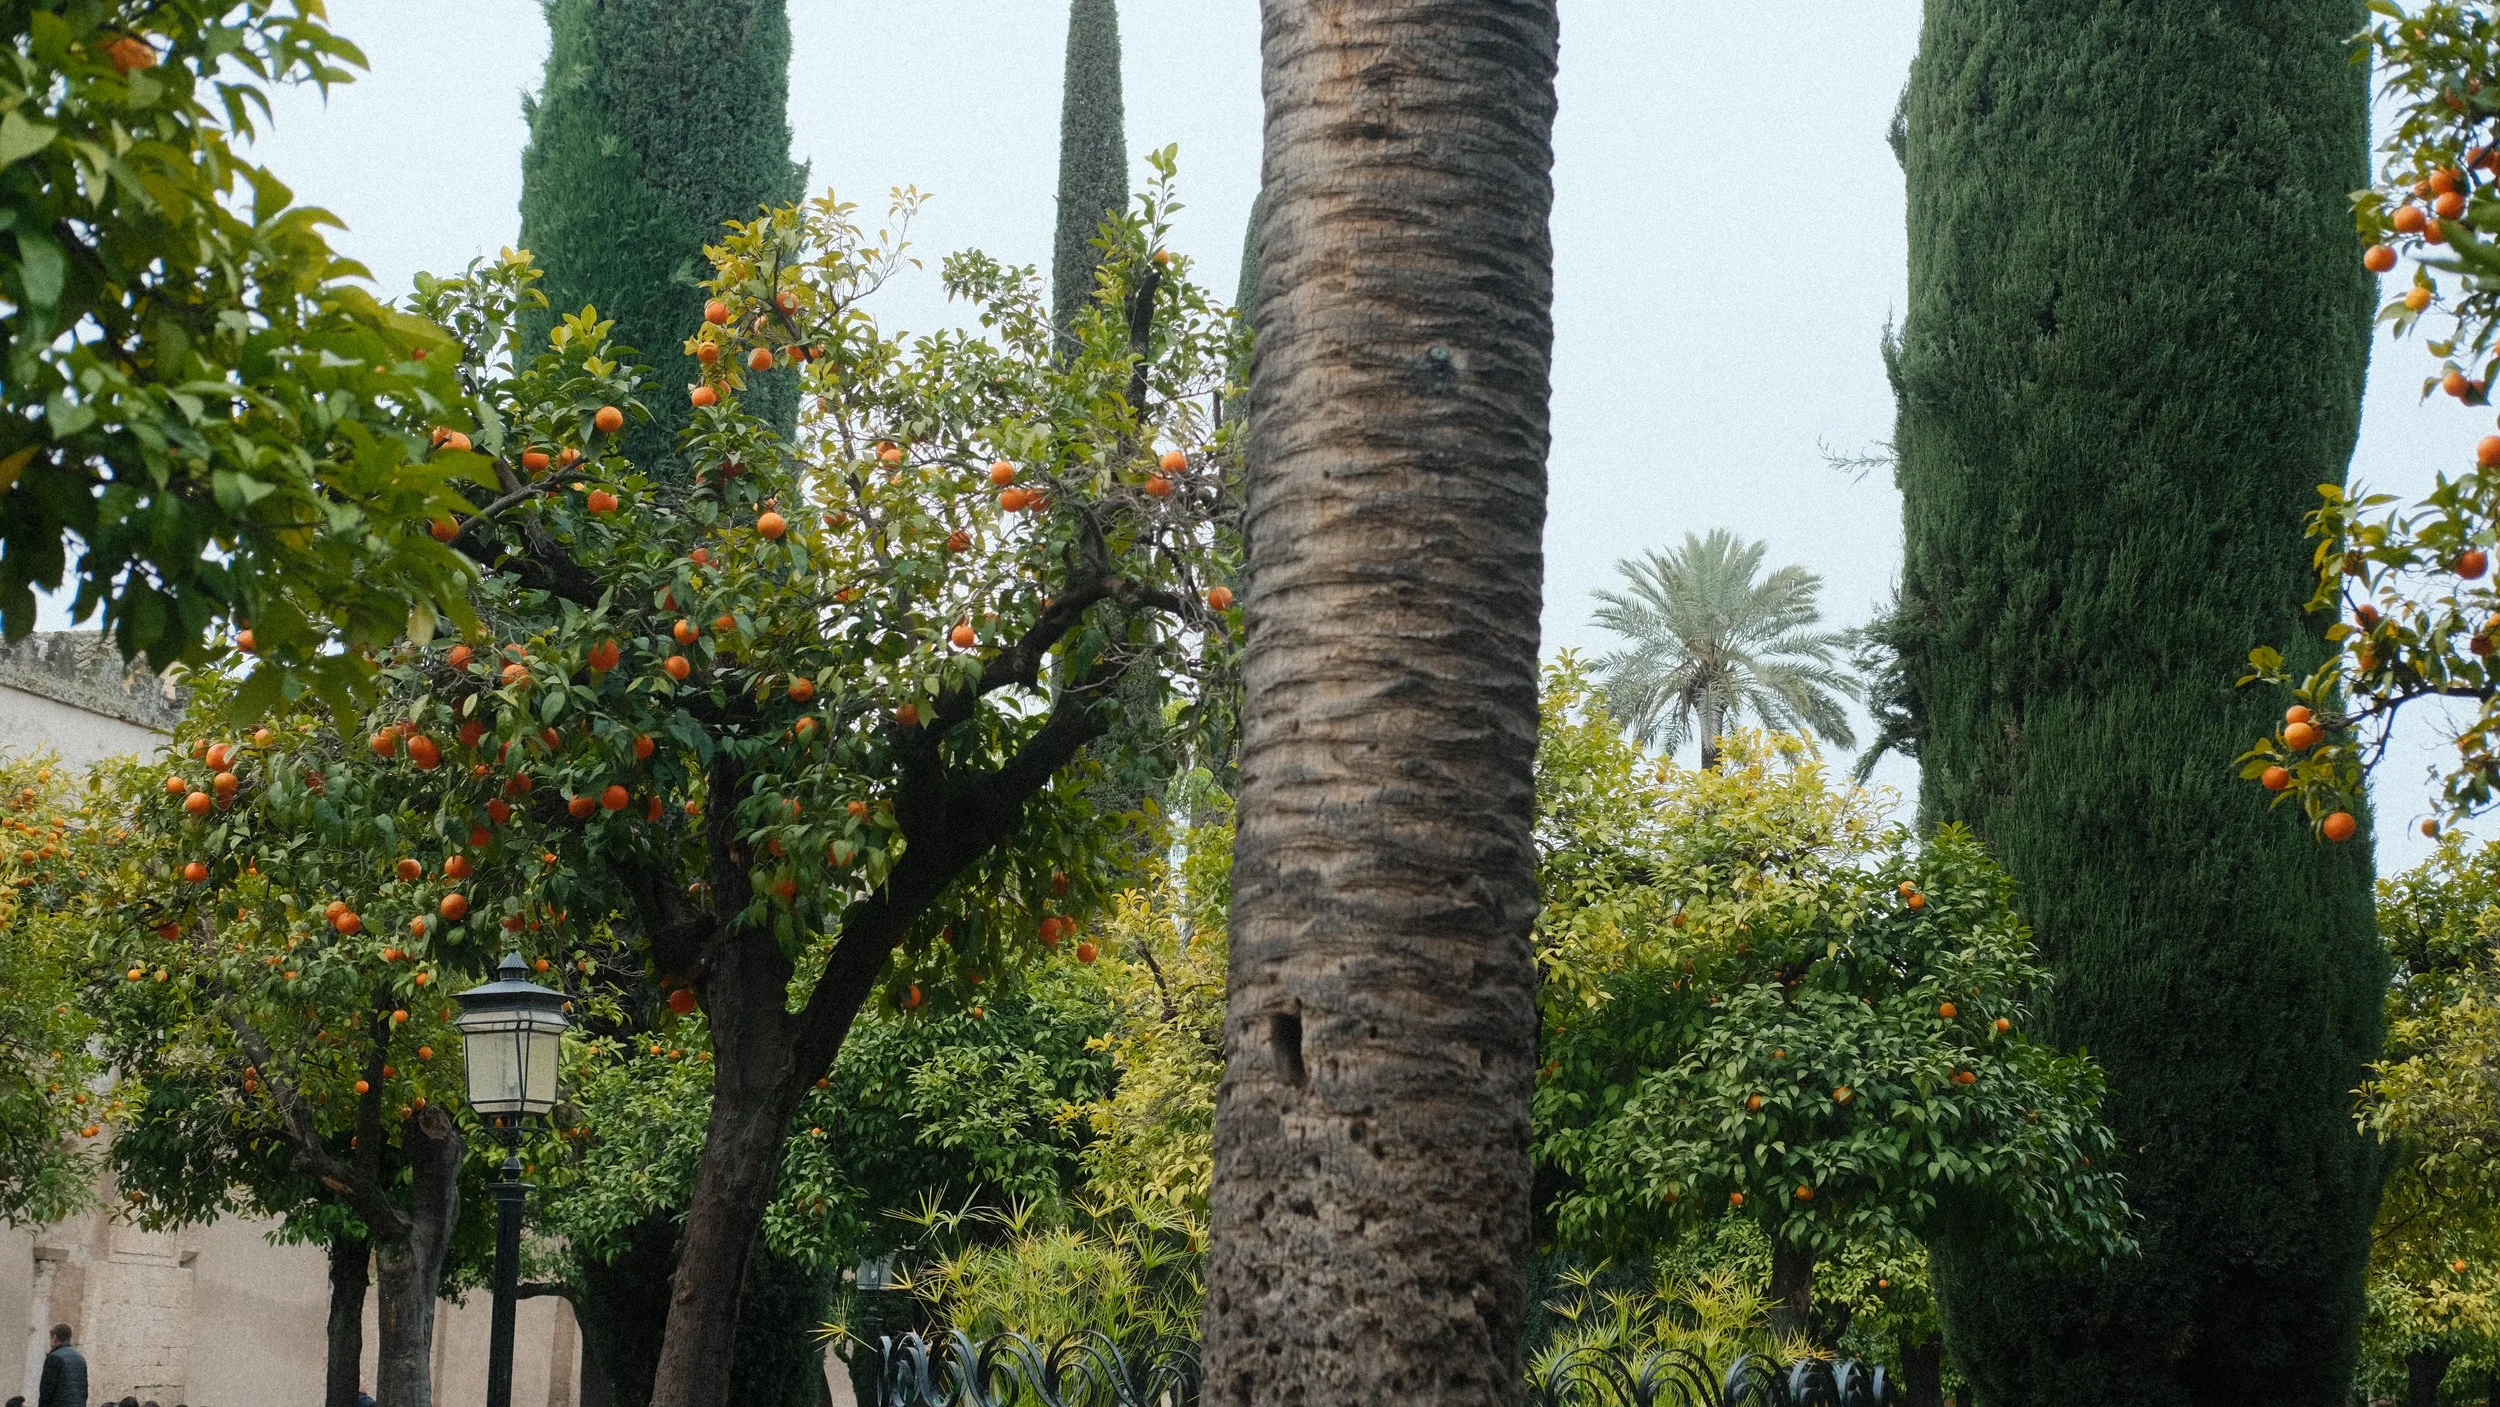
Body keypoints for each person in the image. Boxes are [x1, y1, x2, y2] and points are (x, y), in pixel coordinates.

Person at [37, 1324, 86, 1407]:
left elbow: (46, 1391)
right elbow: (84, 1390)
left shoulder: (54, 1357)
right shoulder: (80, 1358)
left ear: (55, 1338)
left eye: (50, 1338)